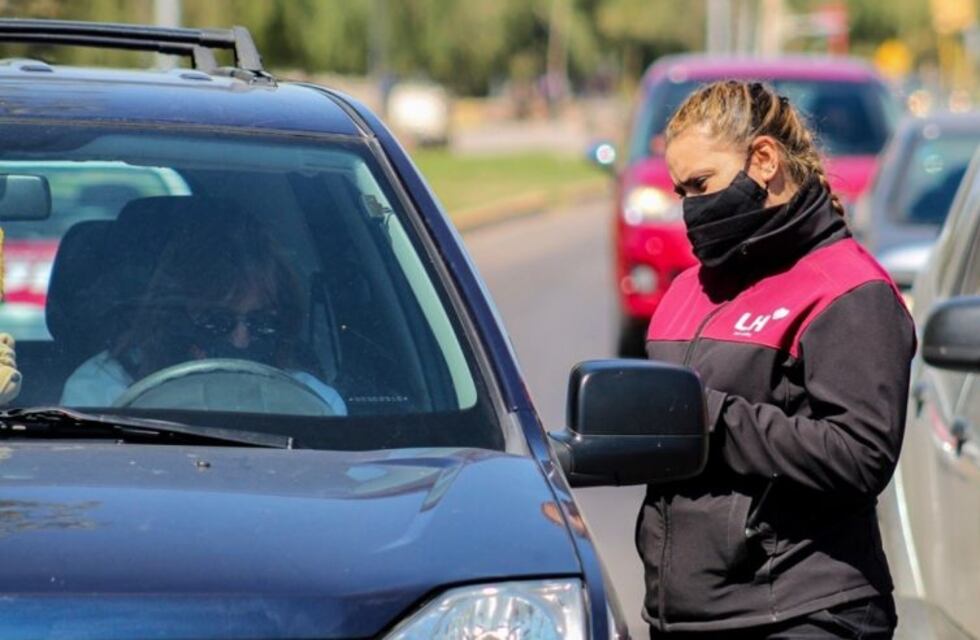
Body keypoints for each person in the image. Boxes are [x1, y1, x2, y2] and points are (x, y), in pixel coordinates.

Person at [640, 81, 915, 639]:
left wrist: (708, 419)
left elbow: (861, 456)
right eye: (679, 191)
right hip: (686, 617)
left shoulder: (847, 289)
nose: (690, 207)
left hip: (802, 612)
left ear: (763, 159)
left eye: (701, 184)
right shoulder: (687, 288)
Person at [60, 207, 346, 415]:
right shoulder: (100, 394)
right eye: (217, 321)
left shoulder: (314, 405)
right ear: (173, 318)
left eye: (261, 323)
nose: (241, 340)